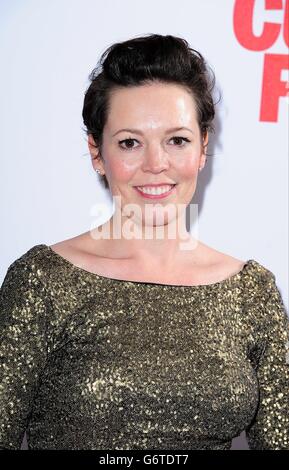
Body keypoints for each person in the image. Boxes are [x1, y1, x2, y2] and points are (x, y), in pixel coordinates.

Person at [0, 34, 288, 451]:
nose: (156, 165)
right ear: (97, 152)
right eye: (130, 142)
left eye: (177, 140)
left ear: (203, 146)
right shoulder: (41, 282)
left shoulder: (251, 291)